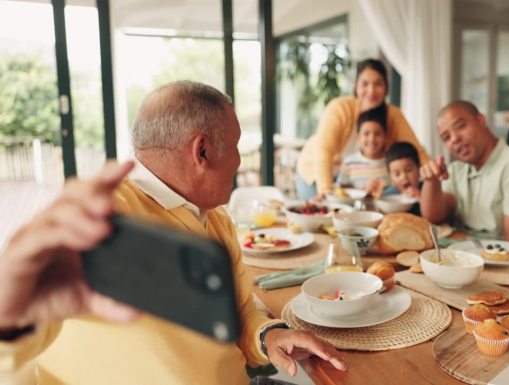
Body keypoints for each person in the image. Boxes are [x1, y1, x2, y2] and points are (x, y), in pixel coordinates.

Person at [0, 81, 346, 385]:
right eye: (237, 144)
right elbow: (14, 347)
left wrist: (268, 335)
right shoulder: (101, 221)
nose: (240, 160)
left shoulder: (216, 219)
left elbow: (240, 311)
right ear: (203, 151)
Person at [295, 58, 429, 200]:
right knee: (325, 214)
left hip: (362, 180)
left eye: (378, 84)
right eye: (365, 83)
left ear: (386, 88)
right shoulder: (339, 108)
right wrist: (326, 190)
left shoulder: (393, 115)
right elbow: (323, 150)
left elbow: (417, 151)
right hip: (318, 173)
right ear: (356, 86)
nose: (371, 90)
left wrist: (432, 176)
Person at [419, 101, 509, 241]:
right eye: (446, 137)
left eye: (461, 126)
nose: (455, 139)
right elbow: (434, 217)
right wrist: (432, 182)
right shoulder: (456, 169)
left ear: (481, 121)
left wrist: (456, 235)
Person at [336, 104, 390, 195]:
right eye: (366, 133)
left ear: (385, 137)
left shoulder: (390, 162)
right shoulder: (349, 163)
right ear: (357, 138)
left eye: (377, 134)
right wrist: (362, 192)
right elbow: (340, 190)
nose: (372, 139)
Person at [385, 142, 422, 215]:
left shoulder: (427, 190)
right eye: (397, 174)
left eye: (408, 170)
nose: (404, 177)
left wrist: (422, 199)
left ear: (419, 169)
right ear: (391, 178)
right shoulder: (391, 194)